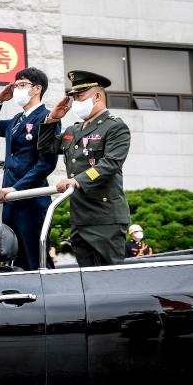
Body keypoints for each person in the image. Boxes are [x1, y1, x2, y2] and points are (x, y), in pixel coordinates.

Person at [38, 70, 131, 267]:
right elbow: (46, 147)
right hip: (80, 216)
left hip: (105, 217)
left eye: (80, 97)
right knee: (86, 279)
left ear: (97, 95)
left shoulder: (114, 127)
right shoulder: (74, 130)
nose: (75, 103)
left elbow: (111, 163)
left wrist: (77, 180)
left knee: (110, 275)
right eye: (73, 98)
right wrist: (52, 119)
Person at [0, 67, 59, 270]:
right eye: (15, 86)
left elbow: (46, 164)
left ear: (36, 89)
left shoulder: (47, 118)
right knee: (16, 260)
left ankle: (47, 298)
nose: (16, 90)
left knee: (36, 257)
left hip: (31, 199)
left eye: (22, 85)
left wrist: (17, 188)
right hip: (11, 200)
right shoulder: (16, 121)